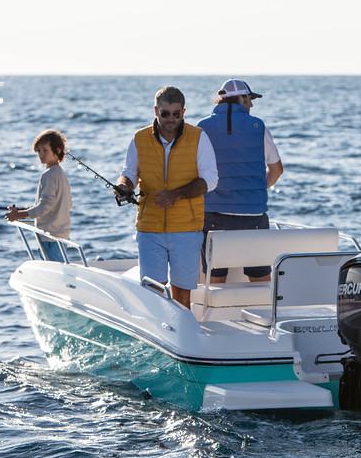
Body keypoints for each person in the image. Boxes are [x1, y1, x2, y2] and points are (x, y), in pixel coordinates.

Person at [115, 86, 218, 309]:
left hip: (187, 229)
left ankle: (183, 330)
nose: (171, 119)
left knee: (182, 294)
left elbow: (210, 180)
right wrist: (124, 186)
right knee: (153, 292)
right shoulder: (139, 138)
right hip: (149, 228)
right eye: (165, 113)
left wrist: (176, 194)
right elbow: (129, 173)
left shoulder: (198, 137)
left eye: (176, 114)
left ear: (183, 112)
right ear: (156, 111)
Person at [197, 79, 284, 284]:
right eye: (250, 99)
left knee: (214, 279)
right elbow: (277, 169)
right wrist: (258, 188)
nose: (251, 104)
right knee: (260, 278)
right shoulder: (258, 126)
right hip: (253, 217)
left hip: (214, 216)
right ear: (242, 98)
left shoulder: (202, 128)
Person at [6, 129, 73, 262]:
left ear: (57, 150)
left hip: (50, 237)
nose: (41, 155)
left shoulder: (48, 175)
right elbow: (61, 204)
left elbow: (44, 207)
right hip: (62, 234)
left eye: (45, 150)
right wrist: (22, 211)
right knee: (59, 267)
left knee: (54, 269)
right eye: (39, 151)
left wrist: (18, 215)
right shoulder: (60, 173)